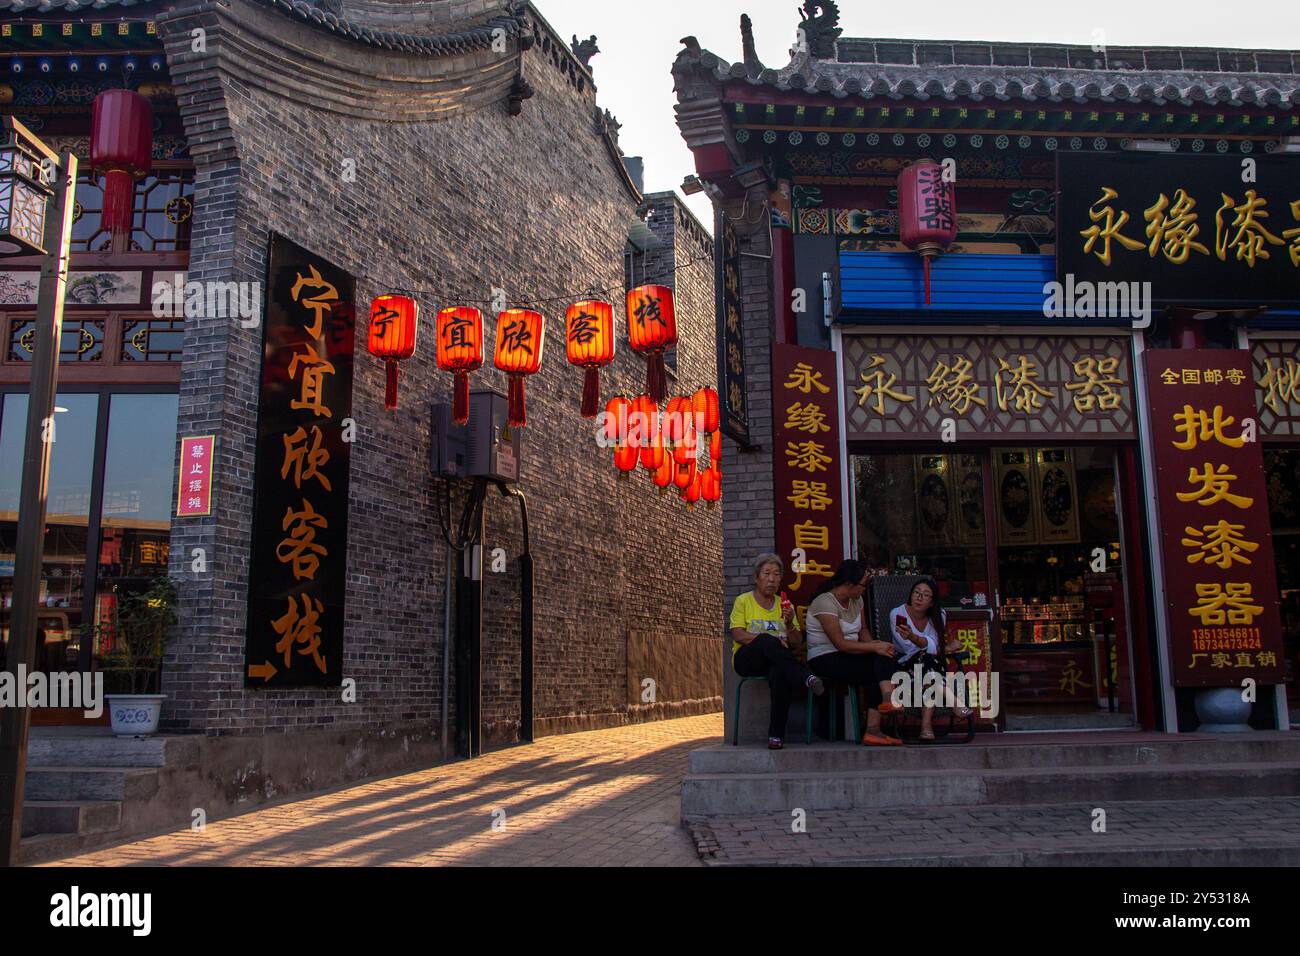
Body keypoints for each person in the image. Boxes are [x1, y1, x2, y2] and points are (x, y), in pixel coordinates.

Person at [804, 560, 906, 746]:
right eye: (863, 585)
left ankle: (875, 726)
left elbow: (863, 631)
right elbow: (840, 644)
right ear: (849, 584)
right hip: (825, 657)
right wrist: (874, 648)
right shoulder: (824, 602)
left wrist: (876, 645)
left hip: (851, 653)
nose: (864, 590)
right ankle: (884, 708)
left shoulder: (856, 600)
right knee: (877, 662)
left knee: (884, 658)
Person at [730, 553, 824, 749]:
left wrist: (789, 623)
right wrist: (769, 641)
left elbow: (797, 643)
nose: (771, 579)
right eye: (766, 573)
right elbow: (738, 634)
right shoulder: (743, 601)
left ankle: (776, 736)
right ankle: (805, 676)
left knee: (780, 672)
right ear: (757, 577)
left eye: (776, 574)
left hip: (775, 662)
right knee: (766, 639)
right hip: (747, 659)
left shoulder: (784, 604)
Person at [889, 576, 971, 741]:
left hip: (929, 669)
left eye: (926, 595)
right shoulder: (898, 614)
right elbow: (910, 649)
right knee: (927, 663)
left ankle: (926, 728)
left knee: (928, 666)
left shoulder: (938, 615)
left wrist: (931, 646)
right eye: (916, 593)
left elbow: (933, 647)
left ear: (932, 602)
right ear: (910, 595)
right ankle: (952, 704)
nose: (919, 598)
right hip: (904, 666)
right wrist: (946, 648)